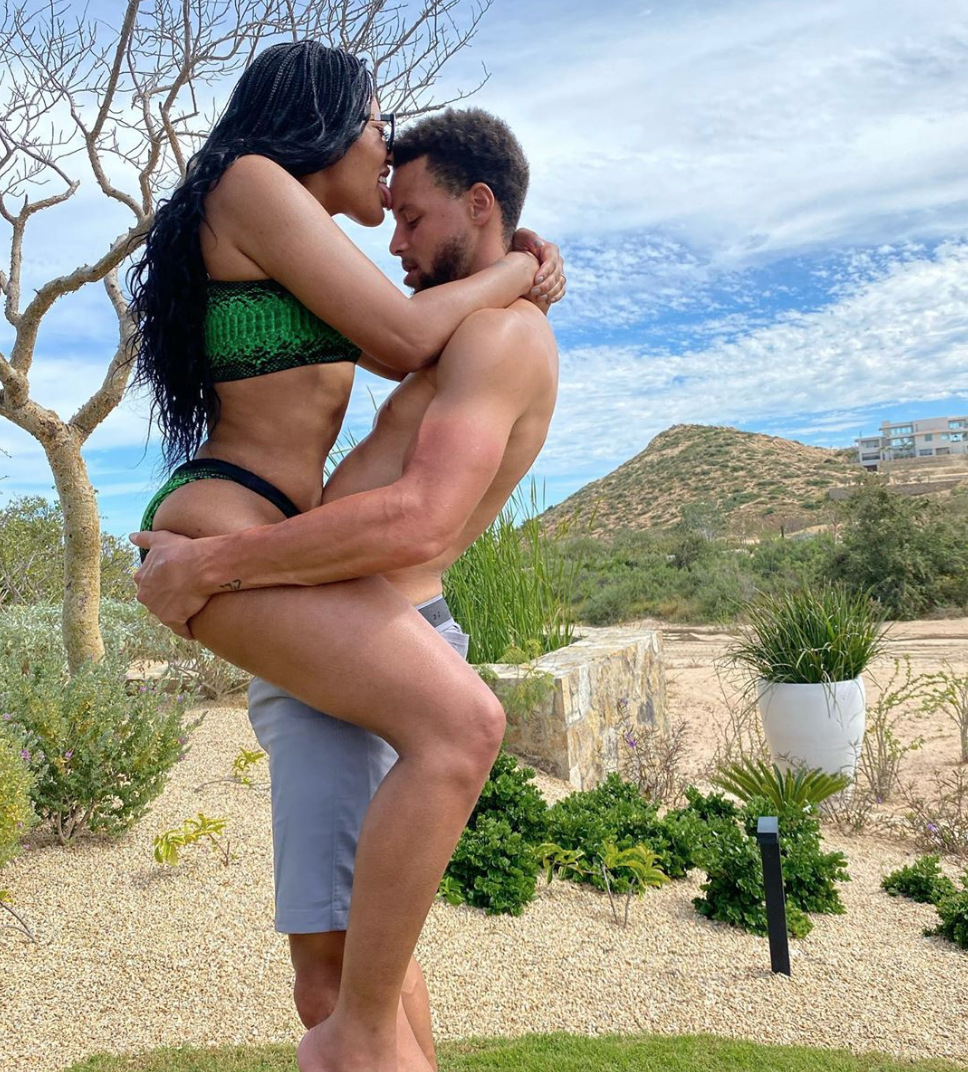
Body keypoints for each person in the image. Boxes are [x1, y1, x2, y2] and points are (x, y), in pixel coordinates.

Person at [128, 41, 562, 1072]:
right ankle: (354, 1041)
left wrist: (507, 269)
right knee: (463, 726)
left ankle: (362, 1038)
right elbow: (404, 338)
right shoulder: (251, 180)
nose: (383, 151)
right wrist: (516, 266)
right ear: (317, 118)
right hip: (223, 521)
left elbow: (406, 331)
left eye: (415, 209)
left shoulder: (297, 238)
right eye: (375, 124)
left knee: (370, 945)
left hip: (268, 540)